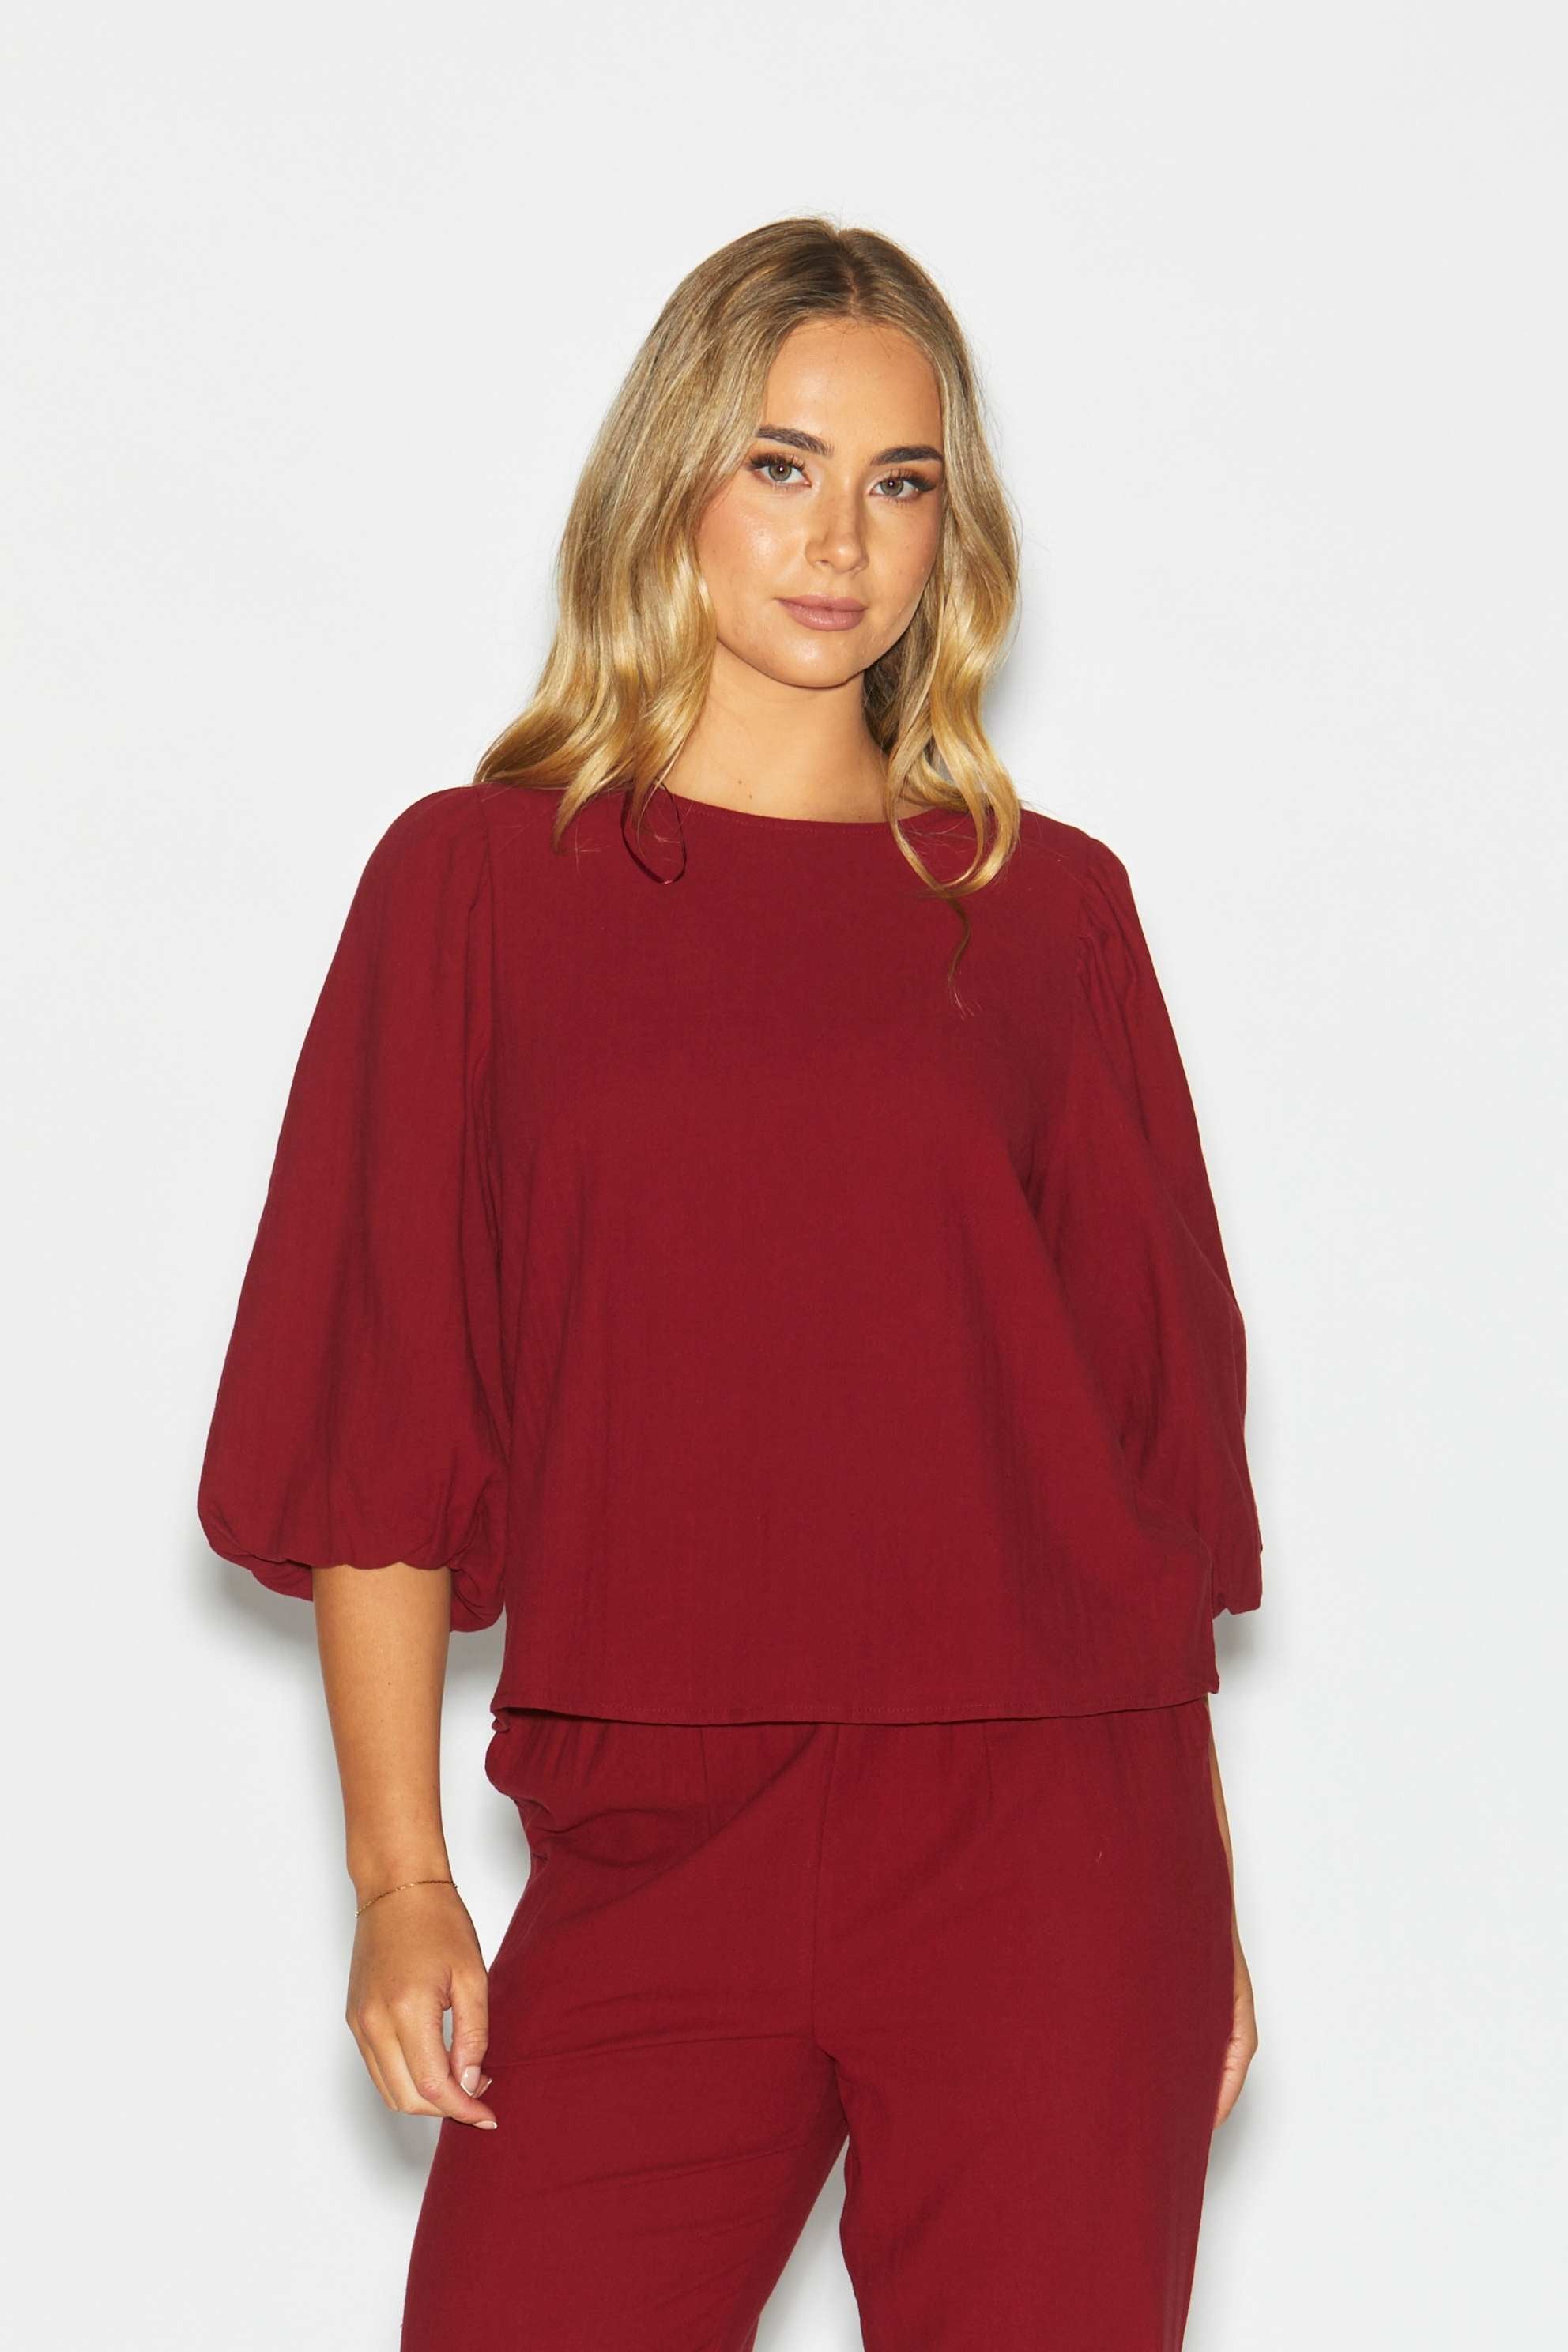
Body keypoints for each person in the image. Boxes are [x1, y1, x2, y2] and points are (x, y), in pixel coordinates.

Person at [198, 216, 1265, 2350]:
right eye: (781, 465)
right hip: (652, 1834)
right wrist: (400, 1875)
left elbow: (1140, 1457)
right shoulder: (479, 887)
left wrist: (1197, 1895)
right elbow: (385, 1403)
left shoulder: (1047, 919)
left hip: (1056, 1841)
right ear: (670, 480)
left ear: (952, 528)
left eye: (900, 481)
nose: (840, 541)